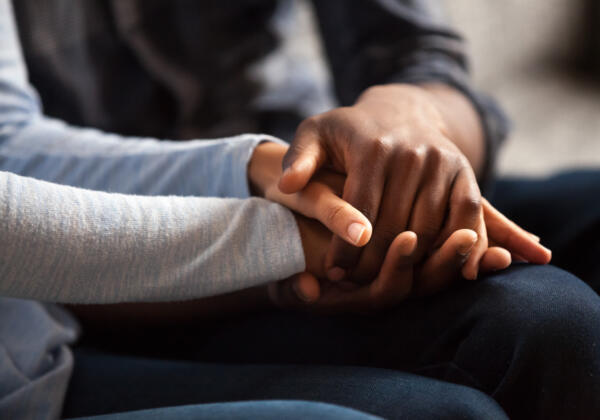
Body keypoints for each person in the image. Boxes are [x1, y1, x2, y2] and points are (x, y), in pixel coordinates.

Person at [1, 1, 599, 419]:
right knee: (544, 323)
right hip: (109, 264)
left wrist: (412, 122)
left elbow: (421, 57)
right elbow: (15, 159)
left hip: (322, 183)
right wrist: (288, 235)